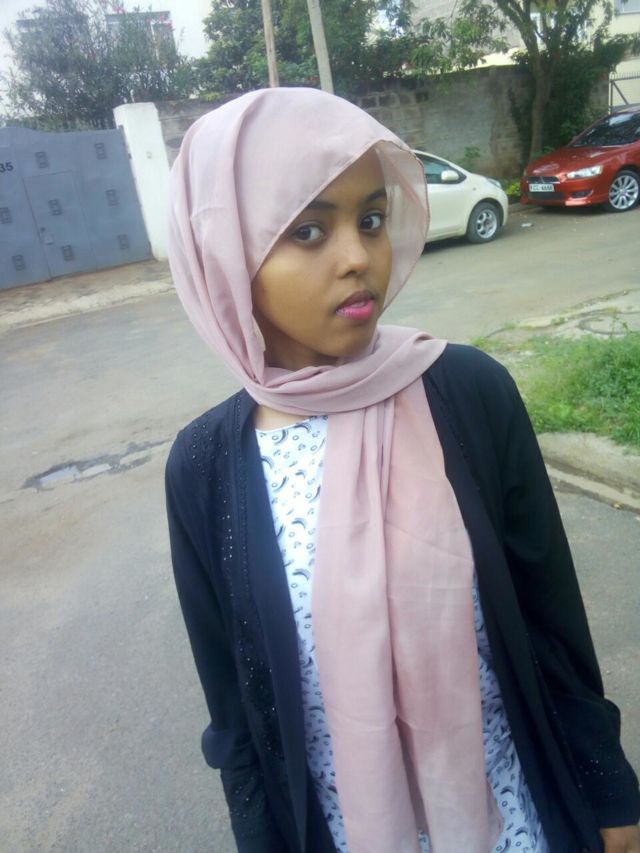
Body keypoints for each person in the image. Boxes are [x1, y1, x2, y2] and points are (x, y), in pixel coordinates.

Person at [165, 87, 640, 853]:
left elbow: (553, 624)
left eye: (372, 219)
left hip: (515, 822)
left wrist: (611, 792)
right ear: (227, 257)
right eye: (308, 229)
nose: (358, 257)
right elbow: (236, 714)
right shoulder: (204, 466)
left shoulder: (469, 394)